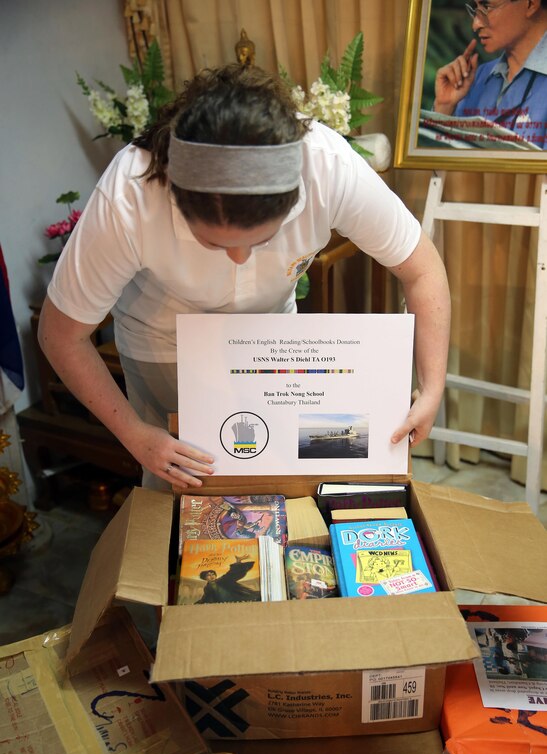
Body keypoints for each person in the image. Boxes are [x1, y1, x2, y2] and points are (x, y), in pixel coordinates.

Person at [38, 62, 451, 492]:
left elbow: (421, 268)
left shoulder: (327, 167)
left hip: (272, 336)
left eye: (261, 240)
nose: (238, 259)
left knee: (287, 474)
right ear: (175, 196)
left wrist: (432, 384)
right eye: (213, 244)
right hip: (164, 342)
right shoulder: (131, 194)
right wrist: (136, 437)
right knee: (182, 485)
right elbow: (60, 335)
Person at [432, 0, 547, 147]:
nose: (475, 25)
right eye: (475, 9)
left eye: (486, 7)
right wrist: (444, 108)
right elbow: (440, 166)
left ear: (530, 4)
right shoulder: (473, 80)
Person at [195, 554, 260, 604]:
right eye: (208, 575)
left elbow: (231, 573)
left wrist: (238, 562)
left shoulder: (222, 580)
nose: (211, 576)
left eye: (213, 574)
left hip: (236, 600)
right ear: (205, 578)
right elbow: (206, 598)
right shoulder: (207, 588)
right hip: (224, 606)